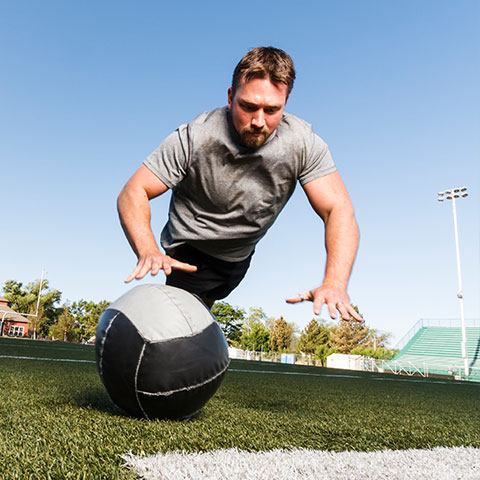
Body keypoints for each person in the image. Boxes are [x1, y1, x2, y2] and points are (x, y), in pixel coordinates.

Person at [117, 46, 362, 322]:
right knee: (178, 324)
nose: (259, 121)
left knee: (203, 308)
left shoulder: (302, 143)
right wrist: (148, 250)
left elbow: (337, 209)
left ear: (286, 101)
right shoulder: (195, 137)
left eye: (272, 110)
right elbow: (133, 191)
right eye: (248, 107)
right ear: (231, 97)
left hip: (238, 258)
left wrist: (335, 282)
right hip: (190, 251)